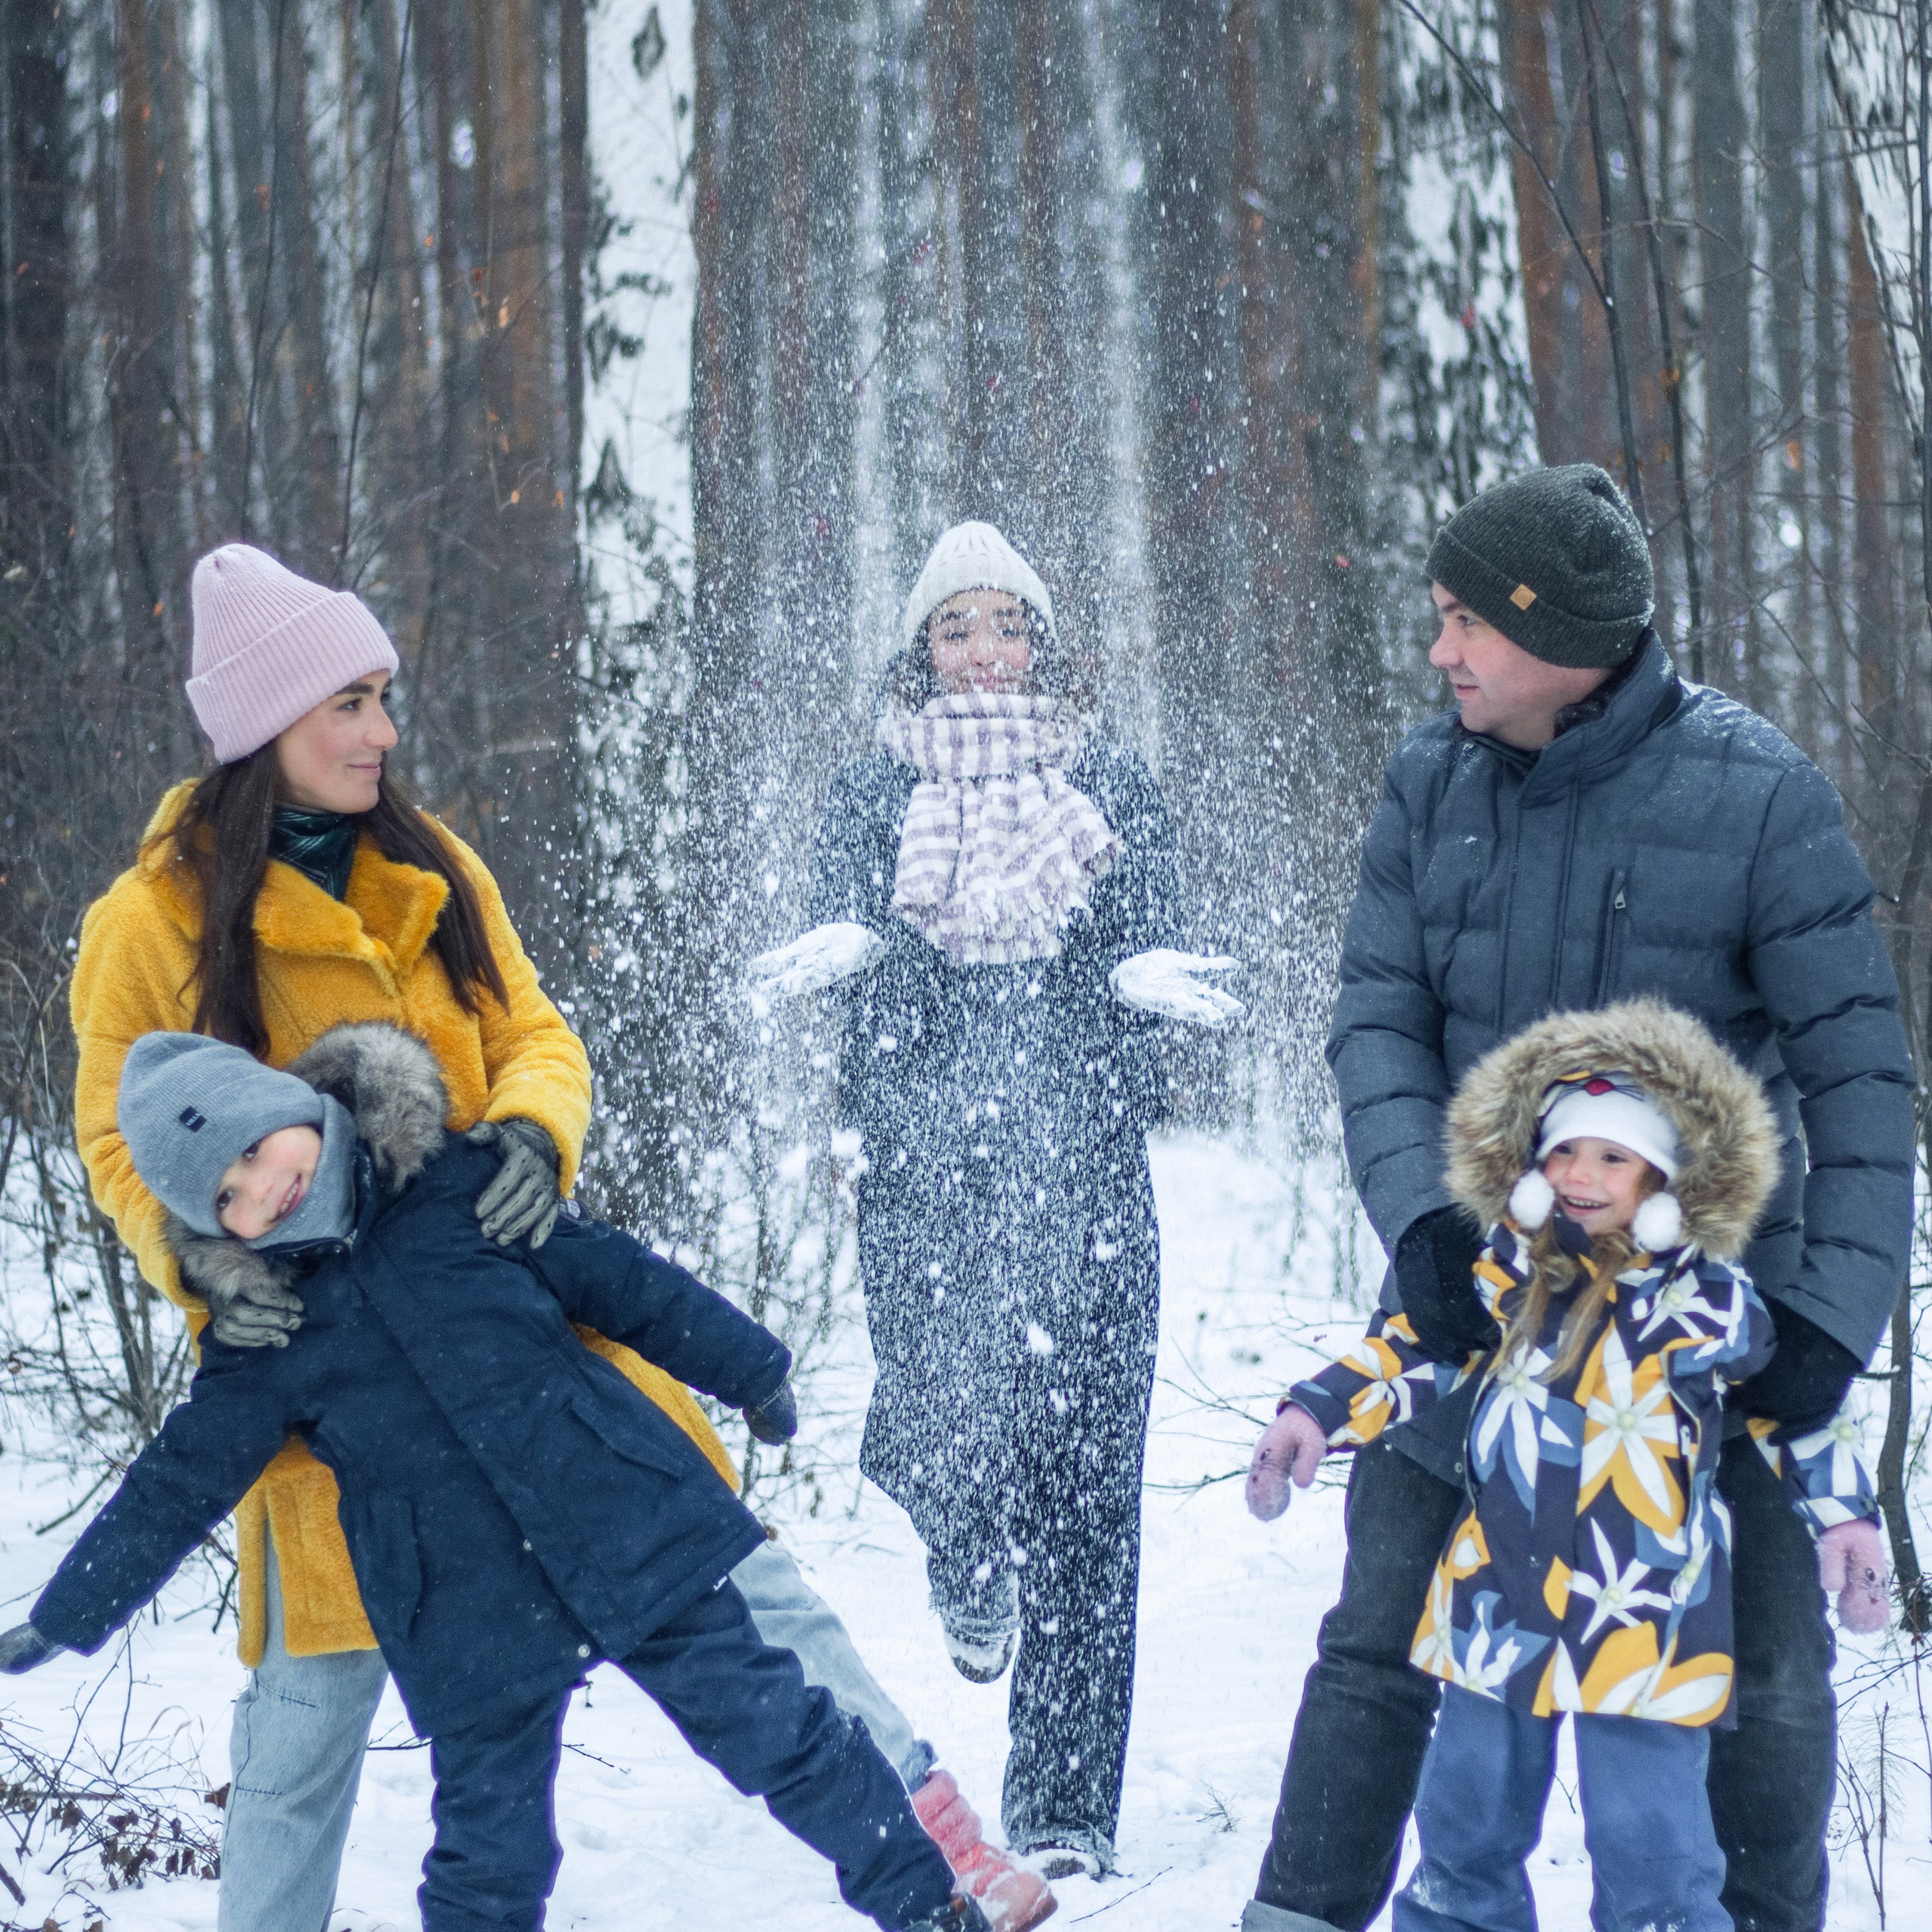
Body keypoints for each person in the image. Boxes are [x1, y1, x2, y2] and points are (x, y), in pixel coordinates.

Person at [69, 542, 1044, 1932]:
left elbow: (534, 1027)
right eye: (348, 704)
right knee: (305, 1718)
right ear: (261, 727)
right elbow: (116, 1142)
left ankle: (944, 1845)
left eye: (384, 697)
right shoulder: (146, 922)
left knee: (742, 1578)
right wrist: (206, 1271)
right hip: (336, 1392)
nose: (383, 732)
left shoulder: (432, 863)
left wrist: (532, 1130)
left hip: (521, 1319)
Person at [1239, 465, 1915, 1932]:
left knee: (1767, 1691)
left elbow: (1860, 1077)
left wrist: (1821, 1319)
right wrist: (1422, 1220)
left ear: (1557, 629)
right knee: (1379, 1637)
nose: (1440, 651)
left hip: (1703, 1317)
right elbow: (1375, 1013)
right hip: (1469, 1281)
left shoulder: (1756, 793)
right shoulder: (1431, 778)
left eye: (1463, 620)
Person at [1, 1023, 986, 1932]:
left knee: (780, 1730)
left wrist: (751, 1369)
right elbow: (180, 1479)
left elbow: (621, 1281)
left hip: (626, 1521)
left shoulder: (466, 1183)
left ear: (298, 1107)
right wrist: (71, 1610)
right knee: (491, 1853)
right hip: (461, 1605)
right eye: (225, 1193)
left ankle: (926, 1902)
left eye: (259, 1146)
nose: (262, 1188)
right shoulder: (267, 1330)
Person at [750, 521, 1240, 1881]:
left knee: (1087, 1487)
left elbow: (1160, 947)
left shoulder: (1112, 785)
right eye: (957, 627)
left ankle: (1067, 1807)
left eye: (1006, 625)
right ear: (922, 651)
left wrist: (1142, 993)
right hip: (919, 1174)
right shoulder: (869, 795)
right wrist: (856, 953)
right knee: (932, 1415)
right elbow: (854, 946)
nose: (984, 650)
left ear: (1041, 644)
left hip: (1085, 1176)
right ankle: (965, 1553)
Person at [1251, 1001, 1889, 1932]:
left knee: (1653, 1842)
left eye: (1612, 1157)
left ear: (1664, 1179)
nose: (1581, 1176)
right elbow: (1409, 1354)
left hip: (1646, 1614)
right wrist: (1315, 1412)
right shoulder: (1506, 1276)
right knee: (1464, 1822)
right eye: (1563, 1154)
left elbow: (1788, 1416)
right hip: (1499, 1602)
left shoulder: (1708, 1305)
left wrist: (1845, 1516)